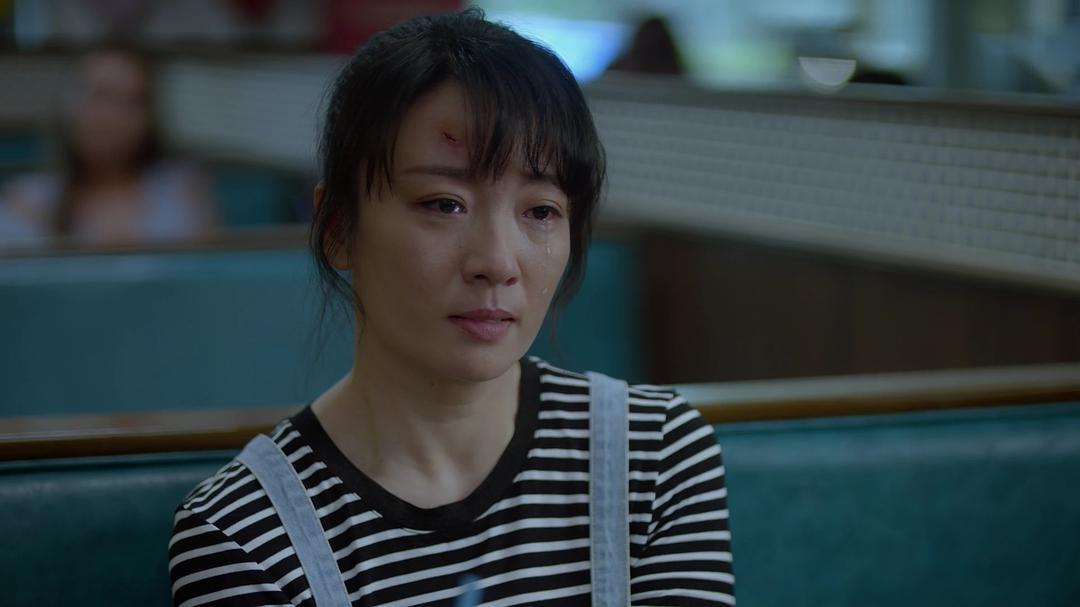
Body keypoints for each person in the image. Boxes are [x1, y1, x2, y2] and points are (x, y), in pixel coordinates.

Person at [168, 9, 733, 606]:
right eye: (445, 204)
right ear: (337, 226)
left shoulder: (652, 456)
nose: (497, 261)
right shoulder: (243, 534)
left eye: (540, 211)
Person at [0, 45, 216, 248]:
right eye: (99, 95)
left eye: (129, 102)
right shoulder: (26, 201)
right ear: (66, 105)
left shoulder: (181, 191)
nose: (110, 117)